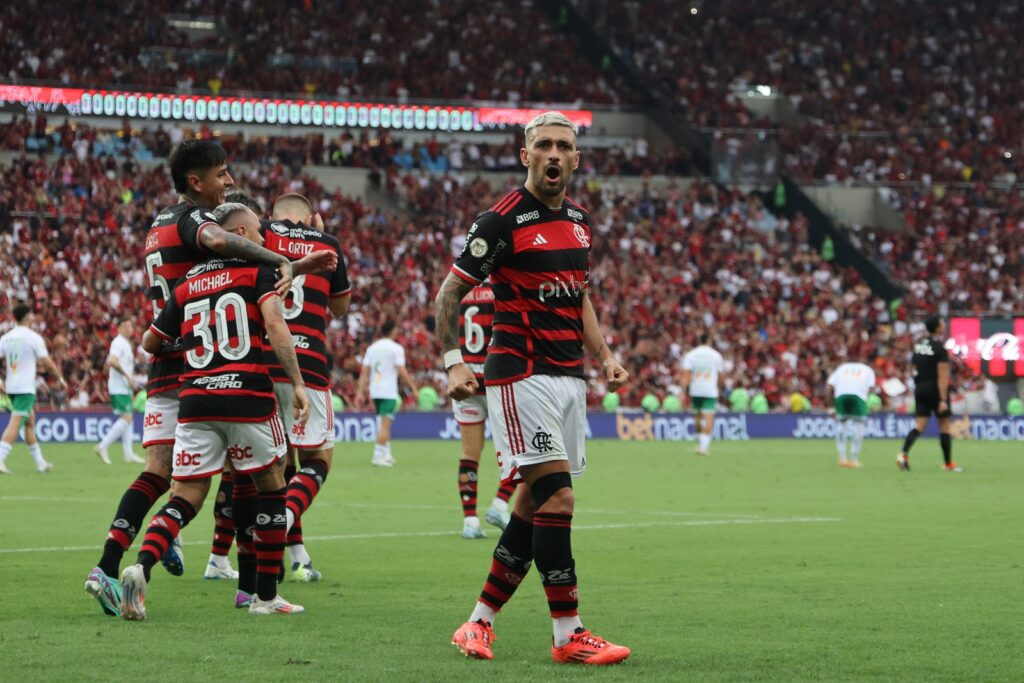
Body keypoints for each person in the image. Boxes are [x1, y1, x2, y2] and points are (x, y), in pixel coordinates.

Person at [84, 140, 337, 617]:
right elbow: (225, 251)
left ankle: (110, 564)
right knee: (254, 475)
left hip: (171, 361)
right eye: (222, 174)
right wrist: (276, 260)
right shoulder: (194, 220)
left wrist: (291, 265)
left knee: (164, 477)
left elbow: (176, 310)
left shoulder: (157, 226)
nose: (229, 182)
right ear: (195, 182)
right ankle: (254, 589)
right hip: (206, 363)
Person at [435, 111, 631, 665]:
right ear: (525, 155)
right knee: (559, 496)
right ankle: (568, 633)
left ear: (575, 159)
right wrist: (453, 363)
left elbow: (579, 295)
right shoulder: (501, 221)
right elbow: (449, 295)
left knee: (529, 503)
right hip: (520, 375)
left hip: (569, 376)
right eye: (541, 144)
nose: (551, 153)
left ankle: (477, 623)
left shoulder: (579, 222)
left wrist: (606, 356)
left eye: (561, 146)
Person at [120, 203, 311, 620]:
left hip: (195, 402)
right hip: (248, 398)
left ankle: (140, 567)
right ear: (239, 231)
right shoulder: (256, 272)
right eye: (257, 233)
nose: (261, 241)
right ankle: (264, 597)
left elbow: (152, 343)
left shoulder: (188, 281)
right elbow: (277, 326)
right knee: (272, 484)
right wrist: (297, 383)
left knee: (186, 496)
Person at [260, 193, 351, 581]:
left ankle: (297, 555)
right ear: (313, 216)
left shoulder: (260, 236)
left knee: (281, 465)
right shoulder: (327, 244)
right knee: (318, 460)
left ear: (272, 215)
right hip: (308, 365)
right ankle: (279, 526)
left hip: (263, 363)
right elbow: (340, 308)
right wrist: (321, 237)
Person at [453, 284, 515, 539]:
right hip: (496, 378)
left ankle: (470, 522)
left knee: (469, 455)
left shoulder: (460, 287)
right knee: (520, 451)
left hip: (466, 379)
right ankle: (500, 504)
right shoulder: (502, 284)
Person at [0, 303, 67, 474]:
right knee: (15, 423)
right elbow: (46, 362)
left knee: (29, 422)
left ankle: (40, 463)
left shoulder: (6, 338)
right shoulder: (33, 338)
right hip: (25, 387)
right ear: (29, 318)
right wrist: (59, 378)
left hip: (11, 386)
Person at [898, 316, 963, 472]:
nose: (944, 325)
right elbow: (942, 375)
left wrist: (919, 384)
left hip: (920, 388)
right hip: (935, 389)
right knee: (945, 425)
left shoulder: (919, 345)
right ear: (937, 328)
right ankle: (948, 463)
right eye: (941, 323)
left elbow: (913, 368)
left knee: (919, 425)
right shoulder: (939, 348)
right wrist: (942, 399)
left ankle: (903, 454)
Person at [356, 320, 418, 467]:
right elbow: (401, 370)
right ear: (392, 331)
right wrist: (413, 388)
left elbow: (365, 371)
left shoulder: (372, 348)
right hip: (388, 391)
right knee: (385, 425)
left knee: (383, 424)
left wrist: (360, 392)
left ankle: (386, 453)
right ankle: (377, 456)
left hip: (375, 390)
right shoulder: (396, 348)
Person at [94, 318, 145, 465]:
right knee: (126, 418)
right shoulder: (118, 342)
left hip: (124, 387)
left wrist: (130, 377)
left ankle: (128, 454)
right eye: (127, 326)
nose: (130, 329)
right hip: (118, 386)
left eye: (131, 326)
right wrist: (126, 375)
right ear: (120, 328)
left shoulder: (125, 344)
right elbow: (112, 361)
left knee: (129, 418)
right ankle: (102, 446)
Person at [680, 333, 725, 456]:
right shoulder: (716, 356)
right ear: (709, 341)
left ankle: (700, 441)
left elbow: (686, 375)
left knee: (698, 416)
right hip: (710, 390)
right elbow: (721, 376)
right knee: (709, 417)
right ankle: (703, 447)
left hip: (696, 389)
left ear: (699, 341)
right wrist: (720, 387)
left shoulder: (691, 355)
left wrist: (682, 392)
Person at [826, 359, 876, 468]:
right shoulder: (868, 370)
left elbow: (828, 387)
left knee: (841, 425)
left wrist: (830, 407)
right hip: (858, 397)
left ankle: (842, 459)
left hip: (841, 396)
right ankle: (854, 459)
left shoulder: (841, 368)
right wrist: (866, 401)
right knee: (859, 426)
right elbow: (871, 388)